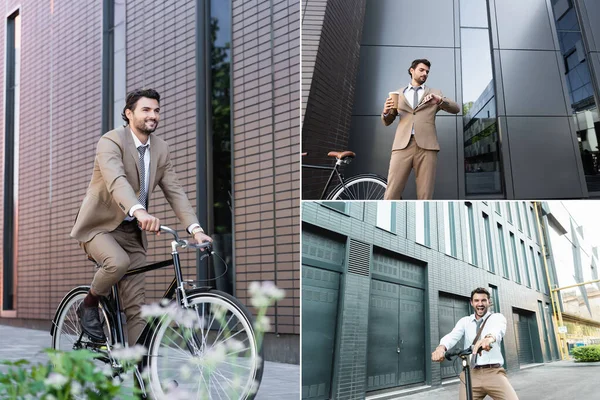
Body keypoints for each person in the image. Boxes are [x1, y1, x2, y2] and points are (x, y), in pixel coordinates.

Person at [70, 88, 212, 345]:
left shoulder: (161, 149)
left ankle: (141, 379)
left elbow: (175, 191)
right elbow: (116, 180)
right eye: (146, 110)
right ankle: (88, 304)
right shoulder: (111, 141)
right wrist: (139, 211)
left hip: (131, 233)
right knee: (117, 262)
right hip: (99, 227)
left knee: (137, 309)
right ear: (129, 113)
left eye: (156, 110)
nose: (153, 115)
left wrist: (195, 229)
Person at [381, 59, 460, 200]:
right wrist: (386, 112)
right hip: (402, 146)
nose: (425, 74)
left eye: (427, 72)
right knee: (391, 193)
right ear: (412, 70)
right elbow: (388, 121)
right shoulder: (398, 93)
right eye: (422, 70)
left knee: (425, 195)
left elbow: (456, 108)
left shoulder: (435, 93)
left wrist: (439, 100)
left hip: (427, 147)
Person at [431, 287, 519, 400]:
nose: (480, 304)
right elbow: (452, 336)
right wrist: (441, 348)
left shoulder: (497, 317)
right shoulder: (465, 321)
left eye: (483, 300)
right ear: (472, 303)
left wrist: (488, 338)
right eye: (477, 300)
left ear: (489, 302)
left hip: (493, 373)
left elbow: (498, 330)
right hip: (470, 374)